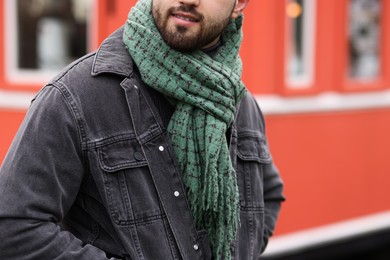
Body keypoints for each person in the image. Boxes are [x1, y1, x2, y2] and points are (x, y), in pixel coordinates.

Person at [0, 0, 285, 259]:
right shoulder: (75, 96)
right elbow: (14, 227)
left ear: (240, 4)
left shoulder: (237, 101)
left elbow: (268, 194)